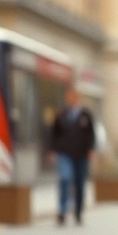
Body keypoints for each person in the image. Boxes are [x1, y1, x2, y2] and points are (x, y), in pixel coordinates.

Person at [50, 88, 96, 226]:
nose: (71, 99)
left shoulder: (85, 114)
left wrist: (91, 149)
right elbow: (54, 133)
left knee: (79, 183)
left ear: (78, 98)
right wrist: (53, 150)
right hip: (64, 153)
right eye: (69, 96)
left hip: (81, 154)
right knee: (65, 179)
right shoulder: (61, 114)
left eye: (74, 96)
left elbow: (91, 134)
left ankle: (78, 211)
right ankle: (62, 211)